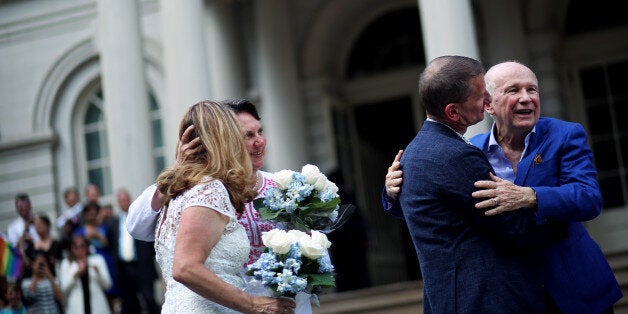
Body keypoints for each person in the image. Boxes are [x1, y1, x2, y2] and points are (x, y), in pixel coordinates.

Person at [383, 61, 622, 313]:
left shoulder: (565, 135)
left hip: (573, 285)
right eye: (513, 90)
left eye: (532, 89)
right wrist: (391, 193)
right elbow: (438, 206)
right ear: (489, 104)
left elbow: (588, 198)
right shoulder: (469, 151)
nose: (526, 98)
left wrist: (532, 197)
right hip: (516, 293)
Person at [153, 100, 295, 313]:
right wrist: (252, 304)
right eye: (239, 135)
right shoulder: (209, 189)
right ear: (222, 140)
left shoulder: (177, 192)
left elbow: (170, 280)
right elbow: (185, 267)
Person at [127, 99, 277, 265]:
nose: (260, 142)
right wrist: (178, 171)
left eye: (260, 132)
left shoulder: (281, 184)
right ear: (225, 140)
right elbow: (137, 227)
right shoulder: (202, 190)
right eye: (248, 135)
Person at [107, 188, 159, 314]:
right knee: (128, 303)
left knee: (149, 300)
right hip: (124, 268)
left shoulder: (139, 217)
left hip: (142, 266)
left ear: (130, 200)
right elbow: (112, 245)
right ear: (118, 203)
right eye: (121, 201)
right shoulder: (112, 223)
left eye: (126, 200)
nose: (124, 203)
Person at [59, 235, 112, 314]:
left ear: (87, 247)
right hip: (76, 309)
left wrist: (98, 273)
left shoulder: (97, 260)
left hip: (97, 307)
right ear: (71, 249)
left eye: (82, 246)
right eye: (76, 247)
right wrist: (77, 274)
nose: (79, 250)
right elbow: (64, 289)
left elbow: (108, 286)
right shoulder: (66, 263)